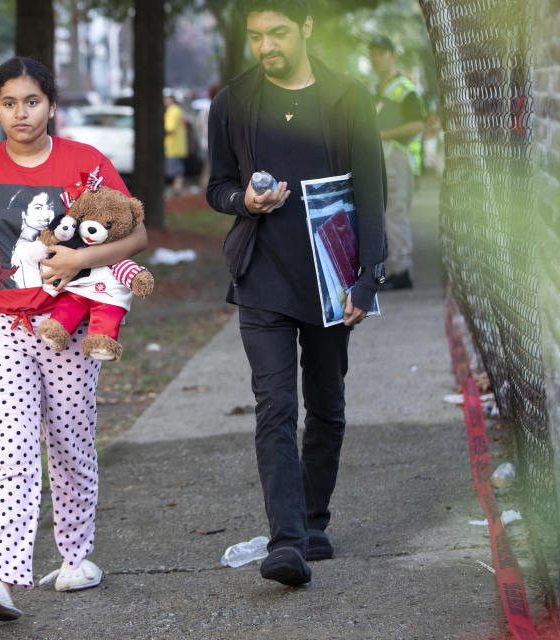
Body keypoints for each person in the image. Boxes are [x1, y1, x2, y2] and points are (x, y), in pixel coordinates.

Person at [0, 56, 147, 621]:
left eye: (33, 101)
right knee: (11, 451)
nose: (21, 113)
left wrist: (84, 257)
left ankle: (75, 557)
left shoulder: (86, 164)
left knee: (70, 443)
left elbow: (135, 232)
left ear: (51, 104)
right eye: (9, 102)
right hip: (0, 329)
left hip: (68, 324)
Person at [206, 0, 386, 587]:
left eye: (278, 33)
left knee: (327, 405)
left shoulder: (347, 97)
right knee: (276, 406)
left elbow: (371, 191)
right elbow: (218, 185)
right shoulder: (232, 101)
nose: (266, 47)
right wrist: (243, 203)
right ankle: (286, 543)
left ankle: (312, 520)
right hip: (261, 272)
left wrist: (370, 274)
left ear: (305, 27)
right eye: (256, 37)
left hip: (332, 275)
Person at [369, 34, 426, 290]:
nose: (375, 58)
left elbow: (418, 124)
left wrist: (384, 135)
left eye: (381, 53)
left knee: (395, 214)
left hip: (398, 158)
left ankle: (401, 272)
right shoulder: (376, 89)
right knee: (386, 216)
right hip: (383, 160)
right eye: (372, 53)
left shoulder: (405, 90)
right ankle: (392, 271)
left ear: (392, 55)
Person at [163, 92, 188, 198]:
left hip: (172, 146)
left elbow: (170, 129)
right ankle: (178, 189)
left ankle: (175, 191)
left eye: (166, 98)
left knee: (173, 171)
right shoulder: (178, 110)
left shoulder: (172, 111)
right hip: (179, 146)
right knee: (178, 169)